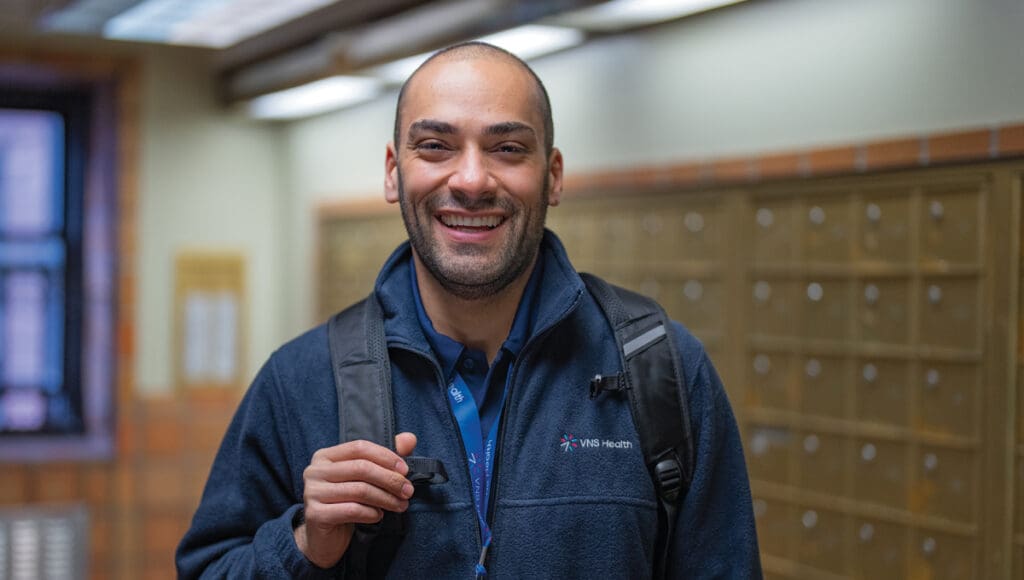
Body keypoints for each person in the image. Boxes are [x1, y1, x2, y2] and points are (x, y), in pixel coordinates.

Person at [176, 41, 761, 578]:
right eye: (436, 146)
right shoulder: (301, 381)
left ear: (552, 176)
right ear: (392, 171)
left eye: (508, 148)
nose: (473, 179)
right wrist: (306, 543)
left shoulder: (661, 369)